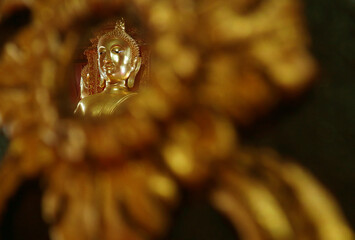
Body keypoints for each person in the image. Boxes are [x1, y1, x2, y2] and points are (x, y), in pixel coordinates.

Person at [74, 20, 142, 117]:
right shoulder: (85, 104)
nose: (106, 59)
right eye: (102, 53)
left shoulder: (137, 104)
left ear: (134, 63)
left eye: (116, 51)